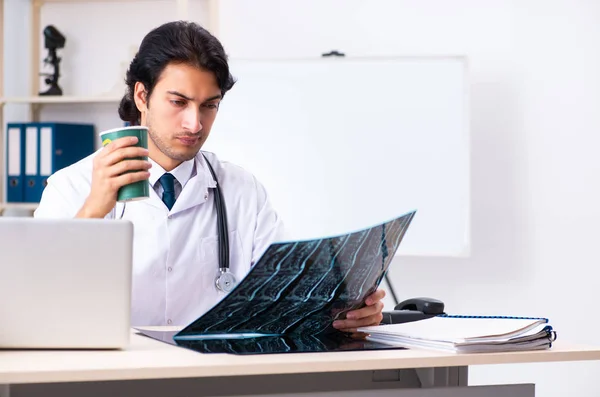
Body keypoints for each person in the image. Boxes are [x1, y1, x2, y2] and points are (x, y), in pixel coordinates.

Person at [34, 21, 385, 335]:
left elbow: (286, 298)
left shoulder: (242, 191)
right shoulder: (72, 187)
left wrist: (341, 315)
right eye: (178, 102)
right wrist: (93, 212)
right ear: (142, 95)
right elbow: (37, 302)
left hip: (212, 377)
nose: (195, 123)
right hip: (108, 377)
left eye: (209, 105)